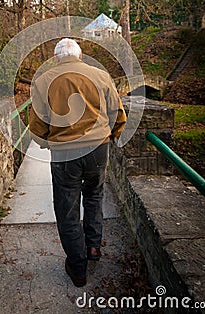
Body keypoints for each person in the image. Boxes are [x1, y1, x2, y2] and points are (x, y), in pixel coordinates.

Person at [29, 38, 127, 287]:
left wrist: (47, 143)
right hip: (97, 148)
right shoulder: (101, 76)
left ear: (56, 58)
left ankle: (78, 266)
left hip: (64, 153)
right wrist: (110, 135)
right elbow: (117, 112)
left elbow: (38, 125)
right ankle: (93, 247)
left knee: (67, 208)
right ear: (80, 57)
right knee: (94, 195)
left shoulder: (43, 81)